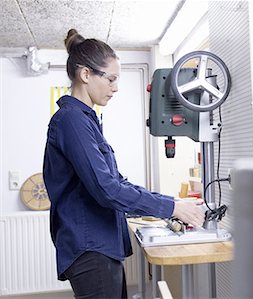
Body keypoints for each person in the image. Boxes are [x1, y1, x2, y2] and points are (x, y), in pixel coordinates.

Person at [43, 29, 205, 299]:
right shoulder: (71, 121)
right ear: (85, 75)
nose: (116, 87)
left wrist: (171, 204)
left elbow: (117, 182)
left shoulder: (86, 121)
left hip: (100, 244)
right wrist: (172, 207)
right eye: (111, 79)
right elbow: (106, 189)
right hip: (90, 248)